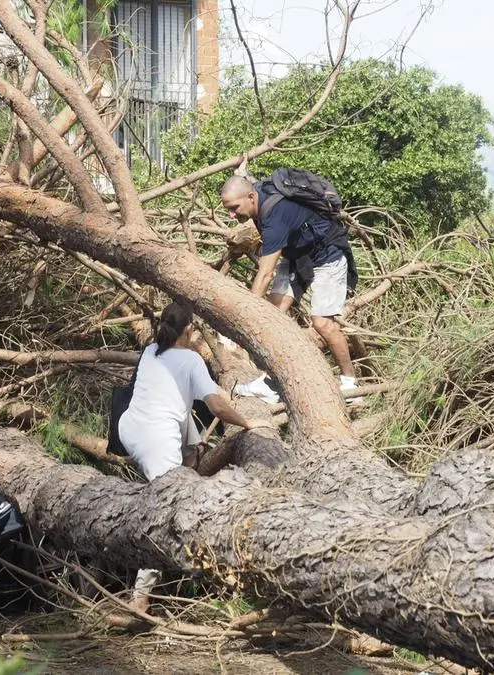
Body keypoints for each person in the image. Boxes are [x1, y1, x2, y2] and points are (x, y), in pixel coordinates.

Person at [117, 301, 270, 613]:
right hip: (155, 440)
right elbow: (215, 406)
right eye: (197, 331)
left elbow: (176, 400)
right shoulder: (190, 359)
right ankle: (140, 597)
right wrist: (248, 422)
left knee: (186, 460)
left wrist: (195, 442)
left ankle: (188, 468)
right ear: (189, 330)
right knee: (166, 511)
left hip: (130, 428)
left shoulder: (151, 351)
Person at [219, 167, 359, 395]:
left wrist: (245, 315)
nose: (232, 215)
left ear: (251, 197)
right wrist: (243, 172)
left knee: (322, 323)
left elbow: (265, 274)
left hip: (329, 255)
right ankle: (270, 383)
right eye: (228, 210)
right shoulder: (255, 191)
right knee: (272, 316)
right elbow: (249, 179)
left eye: (234, 208)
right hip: (297, 255)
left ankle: (349, 382)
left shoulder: (274, 218)